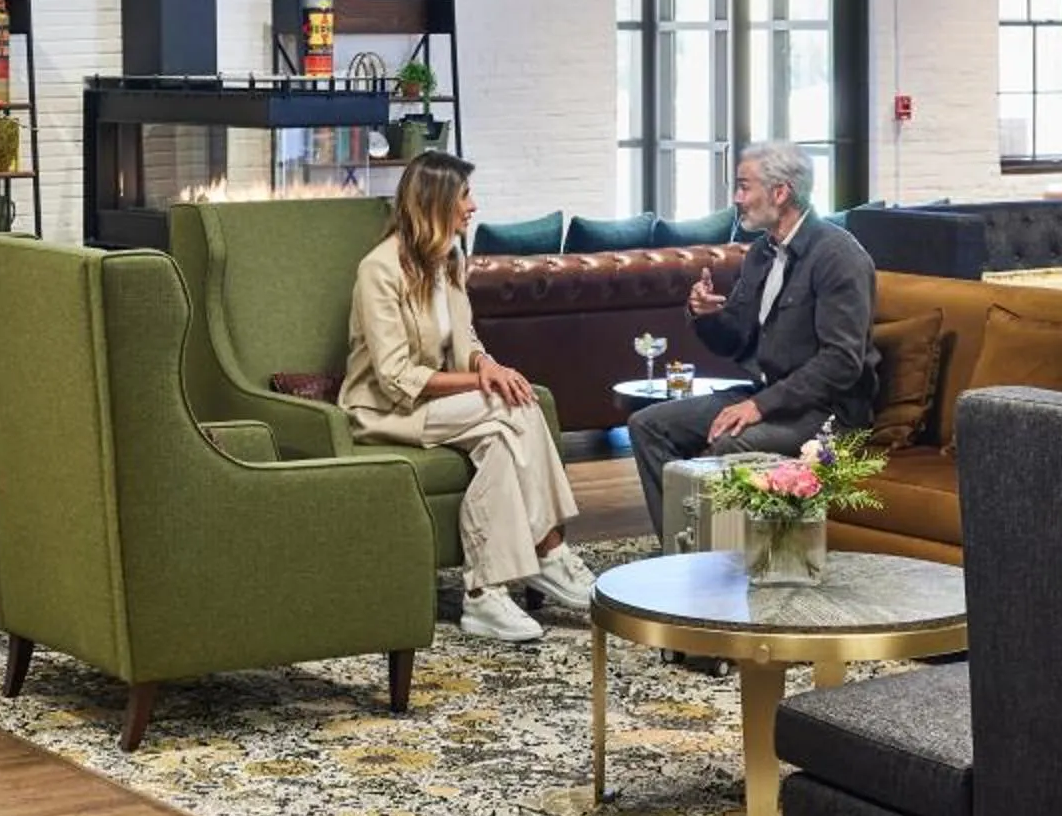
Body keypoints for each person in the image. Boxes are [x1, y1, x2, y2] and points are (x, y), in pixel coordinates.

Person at [342, 150, 598, 643]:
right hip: (387, 410)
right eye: (465, 196)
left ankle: (485, 595)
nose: (473, 206)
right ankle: (547, 549)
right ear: (434, 202)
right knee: (508, 406)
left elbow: (466, 340)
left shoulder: (448, 262)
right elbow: (394, 377)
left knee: (503, 438)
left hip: (446, 405)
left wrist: (487, 365)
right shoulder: (378, 270)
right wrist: (481, 384)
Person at [628, 141, 879, 542]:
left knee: (728, 441)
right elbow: (736, 341)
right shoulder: (761, 252)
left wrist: (758, 405)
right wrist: (705, 317)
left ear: (780, 192)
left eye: (745, 187)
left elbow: (841, 362)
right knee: (648, 426)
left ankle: (717, 555)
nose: (736, 199)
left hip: (828, 413)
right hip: (769, 396)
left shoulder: (838, 256)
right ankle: (680, 550)